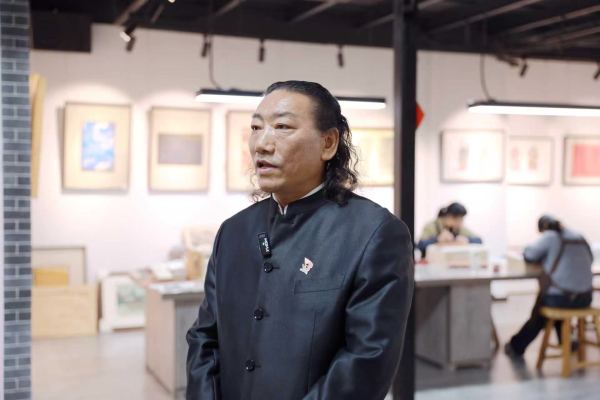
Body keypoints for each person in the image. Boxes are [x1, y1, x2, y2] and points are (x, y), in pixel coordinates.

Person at [186, 80, 414, 400]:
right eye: (256, 127)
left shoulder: (374, 233)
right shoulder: (234, 231)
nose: (261, 144)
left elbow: (366, 361)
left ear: (328, 143)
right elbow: (205, 337)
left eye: (282, 127)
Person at [504, 215, 593, 358]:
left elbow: (529, 255)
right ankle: (567, 341)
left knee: (540, 311)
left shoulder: (551, 236)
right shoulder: (579, 236)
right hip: (586, 298)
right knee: (555, 301)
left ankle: (516, 346)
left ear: (543, 228)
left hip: (562, 299)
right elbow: (591, 259)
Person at [416, 202, 482, 258]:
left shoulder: (459, 228)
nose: (459, 223)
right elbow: (420, 245)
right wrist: (437, 239)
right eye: (457, 220)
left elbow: (479, 240)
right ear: (448, 216)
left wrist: (467, 240)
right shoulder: (432, 226)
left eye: (461, 220)